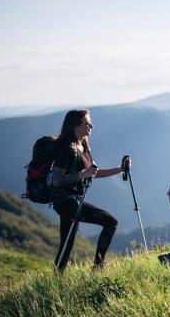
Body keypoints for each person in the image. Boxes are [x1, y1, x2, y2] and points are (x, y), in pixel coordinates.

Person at [51, 109, 131, 272]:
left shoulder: (83, 147)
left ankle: (57, 278)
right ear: (76, 125)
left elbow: (94, 172)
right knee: (111, 222)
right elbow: (57, 180)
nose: (91, 126)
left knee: (67, 244)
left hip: (74, 201)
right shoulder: (67, 148)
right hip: (66, 201)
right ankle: (98, 267)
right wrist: (82, 174)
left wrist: (120, 169)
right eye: (87, 123)